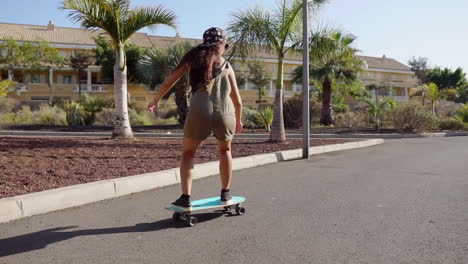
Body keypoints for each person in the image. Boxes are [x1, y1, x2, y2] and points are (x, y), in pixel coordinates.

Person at [148, 27, 243, 209]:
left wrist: (156, 100)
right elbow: (237, 100)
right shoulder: (228, 66)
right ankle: (226, 194)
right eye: (225, 45)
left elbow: (169, 81)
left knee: (188, 154)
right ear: (221, 44)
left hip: (199, 111)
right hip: (226, 113)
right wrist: (238, 119)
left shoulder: (193, 60)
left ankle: (185, 197)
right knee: (225, 152)